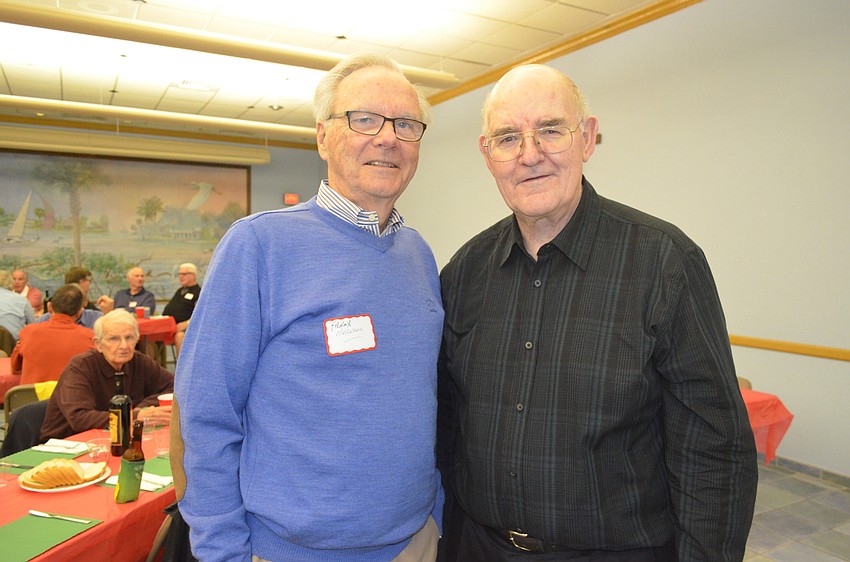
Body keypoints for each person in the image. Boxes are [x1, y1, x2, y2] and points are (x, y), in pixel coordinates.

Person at [437, 65, 758, 562]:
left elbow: (713, 449)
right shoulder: (464, 272)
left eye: (550, 130)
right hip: (478, 546)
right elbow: (448, 428)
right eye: (508, 137)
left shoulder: (664, 263)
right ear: (488, 155)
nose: (530, 155)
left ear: (586, 138)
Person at [173, 52, 444, 562]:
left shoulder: (418, 254)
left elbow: (422, 400)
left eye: (406, 124)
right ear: (322, 136)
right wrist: (222, 550)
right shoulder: (258, 246)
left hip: (414, 543)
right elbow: (204, 417)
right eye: (364, 118)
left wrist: (438, 518)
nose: (387, 137)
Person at [40, 309, 173, 441]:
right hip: (66, 444)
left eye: (129, 338)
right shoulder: (80, 367)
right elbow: (79, 418)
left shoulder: (139, 361)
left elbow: (174, 386)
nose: (124, 345)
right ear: (98, 344)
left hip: (112, 439)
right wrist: (134, 415)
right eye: (114, 339)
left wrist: (142, 406)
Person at [10, 283, 95, 384]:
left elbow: (15, 367)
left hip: (32, 398)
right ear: (79, 312)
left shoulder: (27, 332)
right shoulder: (91, 338)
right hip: (71, 398)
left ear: (49, 307)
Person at [162, 262, 201, 355]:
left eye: (184, 274)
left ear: (193, 275)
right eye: (179, 274)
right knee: (151, 336)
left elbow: (201, 315)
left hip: (186, 328)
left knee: (180, 336)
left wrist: (187, 323)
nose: (181, 277)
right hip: (170, 325)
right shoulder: (180, 291)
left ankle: (182, 368)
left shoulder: (199, 292)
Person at [0, 269, 36, 341]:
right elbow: (33, 324)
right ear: (10, 282)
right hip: (14, 343)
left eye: (20, 279)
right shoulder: (22, 300)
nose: (17, 282)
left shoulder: (33, 293)